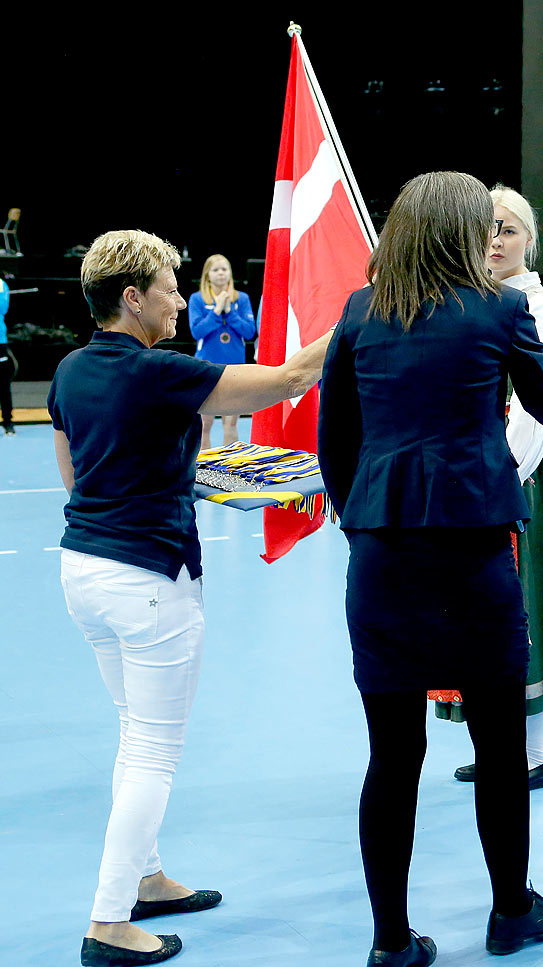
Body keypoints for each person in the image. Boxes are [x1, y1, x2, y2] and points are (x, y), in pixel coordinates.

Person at [317, 171, 543, 965]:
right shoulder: (500, 310)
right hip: (476, 555)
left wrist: (366, 525)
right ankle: (510, 912)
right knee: (498, 743)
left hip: (383, 559)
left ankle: (391, 940)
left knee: (392, 754)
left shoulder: (359, 313)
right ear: (459, 232)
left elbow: (334, 443)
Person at [50, 229, 333, 966]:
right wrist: (362, 308)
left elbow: (78, 480)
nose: (181, 297)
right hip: (148, 580)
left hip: (85, 570)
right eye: (170, 286)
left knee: (132, 730)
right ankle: (109, 920)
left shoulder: (71, 371)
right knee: (154, 748)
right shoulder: (159, 372)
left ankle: (144, 878)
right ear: (132, 298)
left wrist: (165, 477)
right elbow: (289, 377)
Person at [445, 184, 543, 789]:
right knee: (482, 613)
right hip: (479, 475)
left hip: (510, 478)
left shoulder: (538, 311)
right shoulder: (474, 300)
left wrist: (497, 487)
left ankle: (536, 753)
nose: (495, 241)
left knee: (524, 604)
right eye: (486, 229)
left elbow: (531, 416)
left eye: (507, 229)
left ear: (530, 240)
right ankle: (501, 742)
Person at [186, 255, 256, 448]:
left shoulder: (241, 299)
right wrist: (216, 311)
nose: (220, 273)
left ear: (230, 273)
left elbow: (249, 332)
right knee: (205, 422)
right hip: (207, 366)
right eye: (216, 269)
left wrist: (230, 312)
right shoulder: (197, 299)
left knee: (231, 421)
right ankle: (205, 467)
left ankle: (229, 467)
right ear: (207, 274)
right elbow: (197, 331)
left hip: (234, 367)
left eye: (224, 269)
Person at [1, 274, 13, 434]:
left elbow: (3, 306)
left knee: (2, 383)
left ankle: (8, 420)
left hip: (0, 340)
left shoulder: (1, 285)